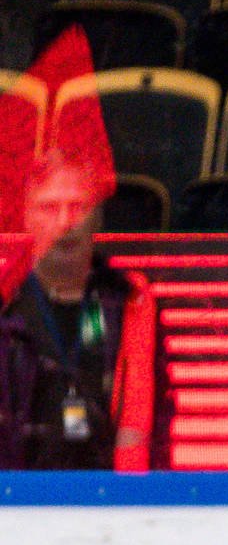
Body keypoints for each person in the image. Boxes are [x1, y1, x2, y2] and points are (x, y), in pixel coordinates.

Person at [0, 152, 156, 470]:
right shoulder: (5, 300)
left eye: (77, 207)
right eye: (49, 207)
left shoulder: (128, 300)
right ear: (27, 216)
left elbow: (135, 423)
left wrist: (122, 500)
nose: (65, 222)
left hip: (101, 496)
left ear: (97, 216)